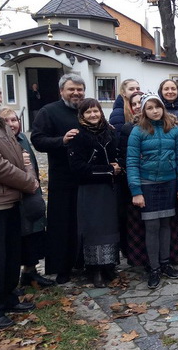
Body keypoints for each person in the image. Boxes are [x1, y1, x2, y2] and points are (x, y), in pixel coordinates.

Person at [0, 78, 38, 329]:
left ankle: (8, 298)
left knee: (11, 255)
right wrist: (28, 182)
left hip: (10, 200)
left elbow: (20, 155)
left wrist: (26, 174)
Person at [127, 93, 178, 289]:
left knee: (167, 225)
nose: (155, 111)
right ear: (144, 110)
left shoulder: (174, 130)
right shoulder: (138, 131)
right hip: (147, 184)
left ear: (163, 108)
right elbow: (132, 162)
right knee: (152, 226)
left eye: (158, 107)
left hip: (169, 183)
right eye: (150, 108)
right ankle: (153, 267)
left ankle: (165, 263)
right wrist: (136, 191)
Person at [31, 73, 85, 284]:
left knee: (84, 222)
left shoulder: (87, 109)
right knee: (63, 223)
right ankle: (63, 267)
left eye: (79, 89)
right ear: (62, 91)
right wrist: (61, 140)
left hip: (86, 177)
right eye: (71, 89)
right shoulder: (48, 111)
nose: (76, 93)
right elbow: (38, 140)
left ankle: (85, 262)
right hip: (62, 178)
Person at [67, 98, 122, 287]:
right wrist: (108, 170)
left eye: (96, 111)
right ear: (81, 115)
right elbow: (77, 167)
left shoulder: (110, 132)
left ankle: (109, 265)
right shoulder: (78, 136)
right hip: (90, 190)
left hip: (109, 189)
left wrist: (118, 167)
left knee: (110, 227)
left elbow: (118, 156)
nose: (93, 115)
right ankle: (94, 269)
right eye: (88, 112)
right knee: (93, 229)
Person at [0, 108, 55, 288]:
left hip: (31, 196)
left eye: (14, 120)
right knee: (16, 241)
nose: (11, 124)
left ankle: (30, 273)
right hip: (13, 198)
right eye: (6, 121)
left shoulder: (23, 139)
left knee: (34, 236)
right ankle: (11, 282)